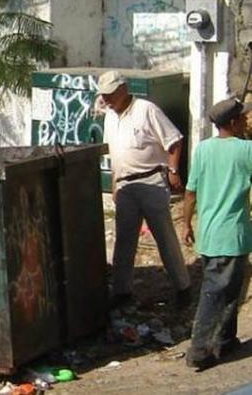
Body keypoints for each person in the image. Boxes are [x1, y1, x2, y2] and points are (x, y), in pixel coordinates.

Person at [98, 70, 191, 308]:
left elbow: (174, 140)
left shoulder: (146, 110)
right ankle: (122, 292)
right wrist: (115, 184)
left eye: (110, 94)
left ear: (123, 89)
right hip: (126, 184)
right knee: (124, 240)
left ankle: (183, 287)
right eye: (104, 95)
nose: (106, 99)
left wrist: (173, 170)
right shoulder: (109, 116)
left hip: (151, 181)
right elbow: (115, 152)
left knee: (164, 237)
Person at [182, 97, 252, 370]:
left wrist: (187, 224)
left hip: (209, 234)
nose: (246, 121)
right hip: (231, 235)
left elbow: (190, 192)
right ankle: (199, 349)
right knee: (215, 292)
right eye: (243, 118)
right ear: (233, 122)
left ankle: (224, 340)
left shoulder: (202, 150)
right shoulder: (245, 151)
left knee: (231, 289)